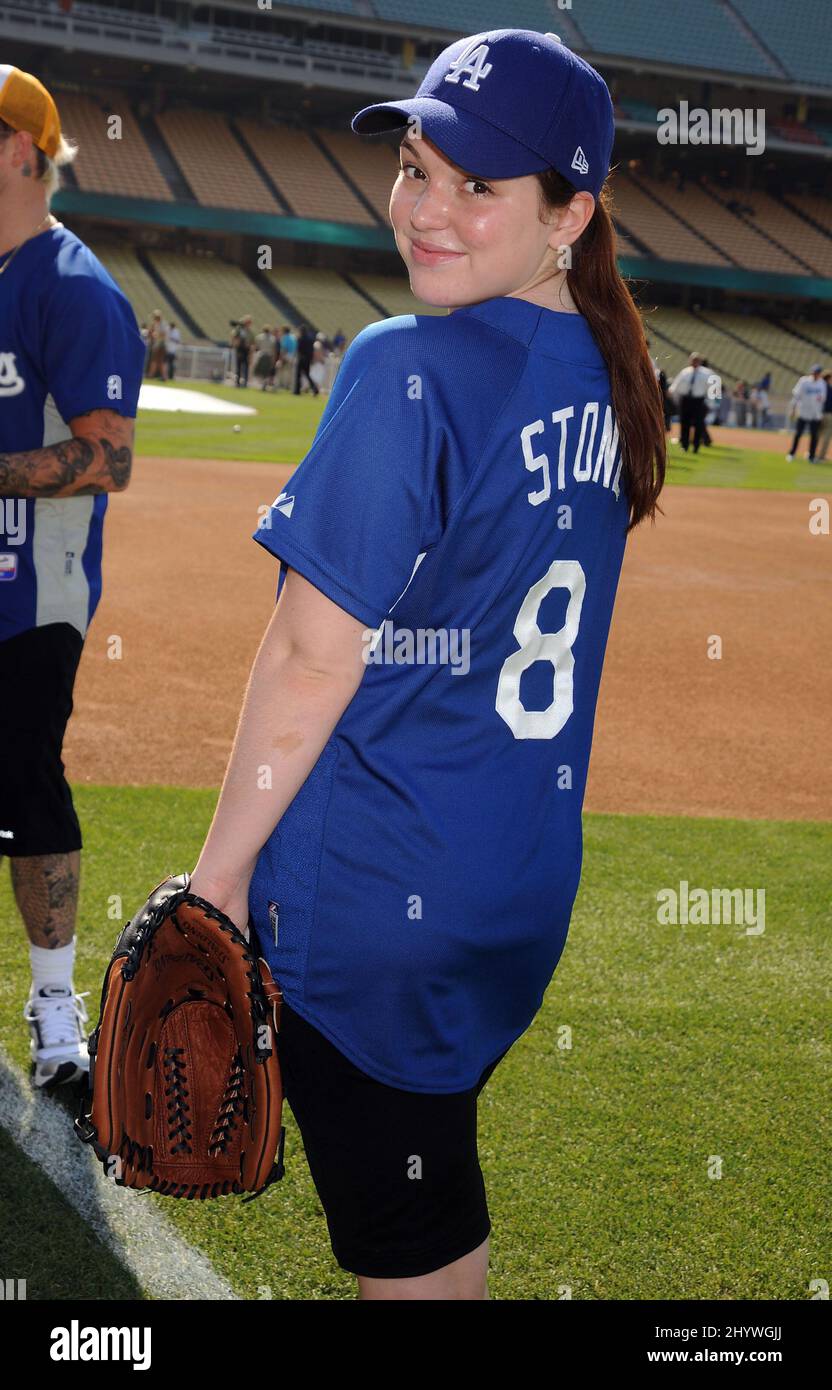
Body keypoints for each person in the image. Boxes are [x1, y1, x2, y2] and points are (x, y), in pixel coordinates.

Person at [186, 28, 665, 1301]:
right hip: (510, 894)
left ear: (572, 212)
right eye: (414, 166)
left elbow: (306, 655)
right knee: (428, 1198)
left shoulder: (406, 368)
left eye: (477, 185)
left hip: (371, 905)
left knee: (419, 1262)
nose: (424, 210)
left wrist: (217, 882)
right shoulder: (616, 373)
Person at [0, 67, 144, 1088]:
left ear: (20, 150)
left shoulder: (75, 285)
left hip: (30, 592)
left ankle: (56, 1008)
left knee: (23, 784)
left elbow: (110, 459)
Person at [670, 352, 708, 452]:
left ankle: (696, 445)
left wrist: (709, 402)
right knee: (684, 423)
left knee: (698, 424)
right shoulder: (685, 372)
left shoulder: (705, 373)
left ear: (700, 362)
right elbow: (676, 385)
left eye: (696, 360)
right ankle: (684, 445)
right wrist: (671, 393)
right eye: (693, 360)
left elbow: (709, 388)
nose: (694, 362)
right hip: (686, 400)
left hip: (698, 401)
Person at [787, 364, 826, 462]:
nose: (815, 374)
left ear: (820, 374)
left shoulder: (822, 384)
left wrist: (821, 414)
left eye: (817, 373)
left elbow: (822, 399)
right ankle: (792, 453)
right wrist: (793, 409)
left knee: (814, 436)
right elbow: (796, 396)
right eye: (814, 372)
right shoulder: (804, 381)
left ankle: (811, 456)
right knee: (798, 434)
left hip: (815, 415)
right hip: (803, 412)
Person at [293, 322, 320, 396]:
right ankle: (314, 388)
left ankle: (297, 390)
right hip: (308, 359)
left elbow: (299, 349)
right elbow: (312, 350)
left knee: (298, 374)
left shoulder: (301, 338)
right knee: (307, 375)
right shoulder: (310, 339)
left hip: (302, 358)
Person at [231, 315, 254, 388]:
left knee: (246, 367)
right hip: (240, 349)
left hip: (247, 350)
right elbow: (234, 337)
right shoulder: (239, 330)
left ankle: (245, 383)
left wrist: (251, 352)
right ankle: (237, 382)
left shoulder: (250, 332)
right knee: (239, 366)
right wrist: (235, 345)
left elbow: (252, 342)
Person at [253, 324, 276, 390]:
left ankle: (262, 384)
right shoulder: (273, 338)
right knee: (266, 371)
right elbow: (274, 350)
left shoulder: (259, 337)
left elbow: (256, 346)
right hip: (269, 355)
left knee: (261, 371)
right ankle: (264, 384)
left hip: (261, 355)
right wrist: (273, 359)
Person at [816, 371, 832, 461]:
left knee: (817, 434)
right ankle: (821, 456)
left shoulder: (819, 387)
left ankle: (812, 452)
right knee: (826, 436)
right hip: (828, 414)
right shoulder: (828, 389)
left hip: (818, 413)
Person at [276, 324, 296, 390]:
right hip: (292, 356)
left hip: (286, 355)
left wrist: (280, 359)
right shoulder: (293, 337)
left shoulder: (285, 337)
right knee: (289, 372)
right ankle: (288, 386)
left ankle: (280, 385)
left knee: (280, 370)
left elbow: (284, 349)